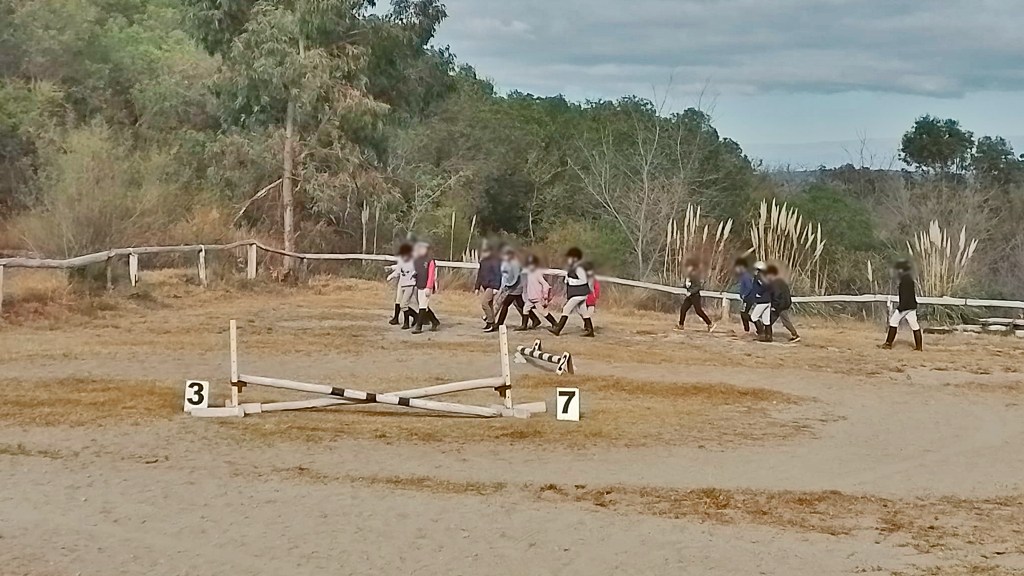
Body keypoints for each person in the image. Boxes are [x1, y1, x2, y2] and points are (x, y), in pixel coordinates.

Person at [549, 247, 594, 337]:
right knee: (583, 311)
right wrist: (567, 279)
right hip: (578, 292)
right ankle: (590, 330)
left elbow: (584, 280)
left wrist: (571, 280)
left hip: (579, 292)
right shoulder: (573, 268)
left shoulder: (579, 268)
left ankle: (558, 329)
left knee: (566, 309)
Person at [882, 259, 922, 351]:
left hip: (905, 306)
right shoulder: (909, 278)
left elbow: (905, 295)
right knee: (914, 325)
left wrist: (901, 307)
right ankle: (919, 347)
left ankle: (888, 344)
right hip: (911, 305)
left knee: (893, 321)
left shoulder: (905, 279)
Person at [487, 246, 526, 333]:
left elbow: (515, 277)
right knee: (521, 305)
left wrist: (508, 285)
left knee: (505, 304)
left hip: (515, 288)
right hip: (516, 287)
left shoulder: (515, 263)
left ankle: (499, 323)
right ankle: (533, 320)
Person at [676, 259, 715, 332]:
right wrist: (682, 286)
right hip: (690, 296)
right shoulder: (688, 276)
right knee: (683, 309)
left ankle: (710, 324)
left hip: (695, 296)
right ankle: (681, 325)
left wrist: (690, 292)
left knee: (698, 311)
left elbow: (698, 287)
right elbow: (688, 285)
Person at [385, 243, 418, 329]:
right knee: (399, 302)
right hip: (402, 284)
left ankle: (409, 321)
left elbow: (417, 271)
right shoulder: (402, 261)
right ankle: (412, 317)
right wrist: (390, 276)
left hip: (409, 284)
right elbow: (398, 271)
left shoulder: (413, 262)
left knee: (404, 304)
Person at [765, 265, 800, 343]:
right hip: (784, 303)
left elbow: (777, 294)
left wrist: (774, 306)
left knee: (785, 320)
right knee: (770, 319)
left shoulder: (775, 283)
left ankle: (795, 335)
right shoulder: (780, 281)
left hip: (781, 305)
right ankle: (765, 332)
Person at [411, 241, 440, 334]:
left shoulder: (430, 261)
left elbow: (431, 275)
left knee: (422, 306)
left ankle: (419, 326)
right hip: (419, 285)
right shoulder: (417, 260)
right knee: (424, 306)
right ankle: (435, 321)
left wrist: (429, 287)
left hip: (426, 286)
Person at [520, 254, 555, 331]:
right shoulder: (529, 273)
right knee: (525, 309)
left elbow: (545, 284)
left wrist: (545, 296)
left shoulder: (537, 273)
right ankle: (524, 325)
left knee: (542, 312)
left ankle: (555, 323)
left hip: (537, 297)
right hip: (531, 297)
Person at [475, 242, 502, 330]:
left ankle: (490, 322)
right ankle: (491, 323)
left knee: (484, 303)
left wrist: (496, 287)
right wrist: (477, 287)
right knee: (489, 304)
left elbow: (498, 274)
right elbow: (480, 274)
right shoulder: (483, 261)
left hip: (492, 285)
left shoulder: (495, 261)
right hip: (485, 285)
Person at [750, 261, 774, 341]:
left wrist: (759, 294)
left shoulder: (759, 277)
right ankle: (769, 337)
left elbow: (763, 286)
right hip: (768, 300)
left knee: (753, 317)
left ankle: (761, 333)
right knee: (766, 320)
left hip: (762, 301)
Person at [734, 258, 757, 333]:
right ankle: (747, 329)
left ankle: (756, 322)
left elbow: (749, 287)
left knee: (744, 314)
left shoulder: (745, 276)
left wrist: (744, 294)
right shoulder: (744, 275)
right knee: (743, 313)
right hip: (747, 298)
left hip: (748, 298)